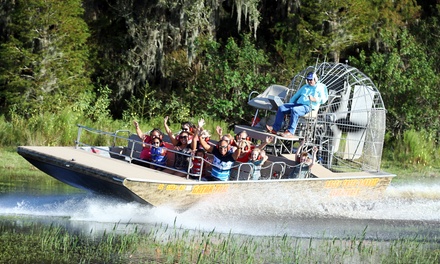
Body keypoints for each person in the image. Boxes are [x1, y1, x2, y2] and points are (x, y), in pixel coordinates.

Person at [266, 72, 328, 138]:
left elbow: (324, 100)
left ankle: (290, 132)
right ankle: (275, 129)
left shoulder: (320, 87)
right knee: (282, 107)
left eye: (311, 80)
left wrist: (315, 99)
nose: (309, 81)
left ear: (315, 79)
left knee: (295, 110)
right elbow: (296, 96)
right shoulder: (305, 87)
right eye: (308, 80)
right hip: (298, 104)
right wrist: (289, 105)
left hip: (308, 106)